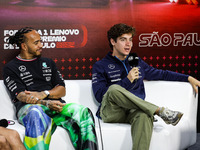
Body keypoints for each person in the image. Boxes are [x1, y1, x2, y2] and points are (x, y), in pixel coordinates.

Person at [92, 23, 200, 150]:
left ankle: (152, 112)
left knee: (144, 115)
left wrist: (187, 77)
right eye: (123, 39)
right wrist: (127, 81)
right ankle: (159, 111)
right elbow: (100, 96)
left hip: (134, 110)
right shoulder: (100, 65)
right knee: (113, 89)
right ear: (113, 41)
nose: (128, 44)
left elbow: (161, 74)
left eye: (130, 39)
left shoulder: (135, 61)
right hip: (112, 111)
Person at [3, 27, 98, 150]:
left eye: (40, 41)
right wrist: (45, 102)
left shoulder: (48, 62)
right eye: (36, 43)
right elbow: (21, 96)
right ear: (24, 46)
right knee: (36, 113)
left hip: (55, 106)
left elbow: (61, 89)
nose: (41, 45)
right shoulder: (10, 67)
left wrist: (44, 93)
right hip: (30, 109)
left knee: (83, 112)